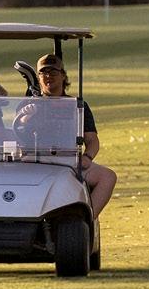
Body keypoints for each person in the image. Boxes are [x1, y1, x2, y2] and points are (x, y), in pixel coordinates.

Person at [35, 53, 116, 218]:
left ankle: (85, 222)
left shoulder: (78, 106)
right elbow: (19, 135)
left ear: (63, 75)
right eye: (44, 73)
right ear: (38, 78)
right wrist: (25, 118)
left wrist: (88, 156)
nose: (48, 77)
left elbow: (92, 140)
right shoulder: (31, 105)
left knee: (108, 177)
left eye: (53, 72)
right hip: (37, 161)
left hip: (69, 161)